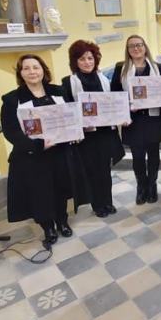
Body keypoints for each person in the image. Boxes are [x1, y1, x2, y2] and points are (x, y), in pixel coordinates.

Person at [0, 55, 72, 248]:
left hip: (59, 152)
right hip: (33, 156)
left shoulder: (59, 91)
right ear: (20, 73)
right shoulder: (12, 100)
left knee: (60, 189)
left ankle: (62, 221)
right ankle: (47, 226)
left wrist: (76, 131)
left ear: (43, 70)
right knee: (40, 193)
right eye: (26, 68)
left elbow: (71, 117)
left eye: (36, 67)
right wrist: (38, 145)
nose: (32, 72)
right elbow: (11, 132)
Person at [61, 40, 125, 216]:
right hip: (86, 136)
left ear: (95, 59)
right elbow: (68, 109)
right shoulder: (68, 83)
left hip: (105, 133)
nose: (87, 62)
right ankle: (98, 205)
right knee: (92, 171)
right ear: (75, 62)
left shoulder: (104, 79)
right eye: (82, 59)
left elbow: (112, 103)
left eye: (90, 58)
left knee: (105, 170)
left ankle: (108, 202)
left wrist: (121, 116)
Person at [112, 35, 161, 204]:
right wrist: (127, 106)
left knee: (153, 155)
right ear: (127, 50)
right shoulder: (121, 69)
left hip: (153, 119)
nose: (136, 48)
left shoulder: (158, 68)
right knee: (137, 157)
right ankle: (141, 186)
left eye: (139, 45)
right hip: (133, 120)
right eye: (132, 46)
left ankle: (152, 185)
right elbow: (115, 95)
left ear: (145, 47)